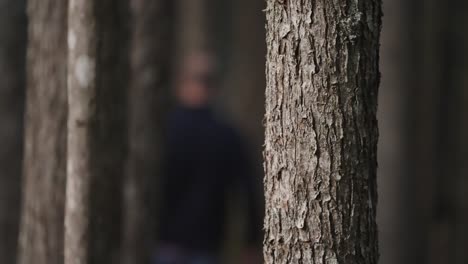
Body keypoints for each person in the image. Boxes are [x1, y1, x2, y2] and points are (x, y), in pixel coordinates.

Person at [154, 52, 262, 264]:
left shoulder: (163, 130)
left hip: (167, 242)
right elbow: (248, 190)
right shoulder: (227, 134)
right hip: (204, 246)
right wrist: (251, 242)